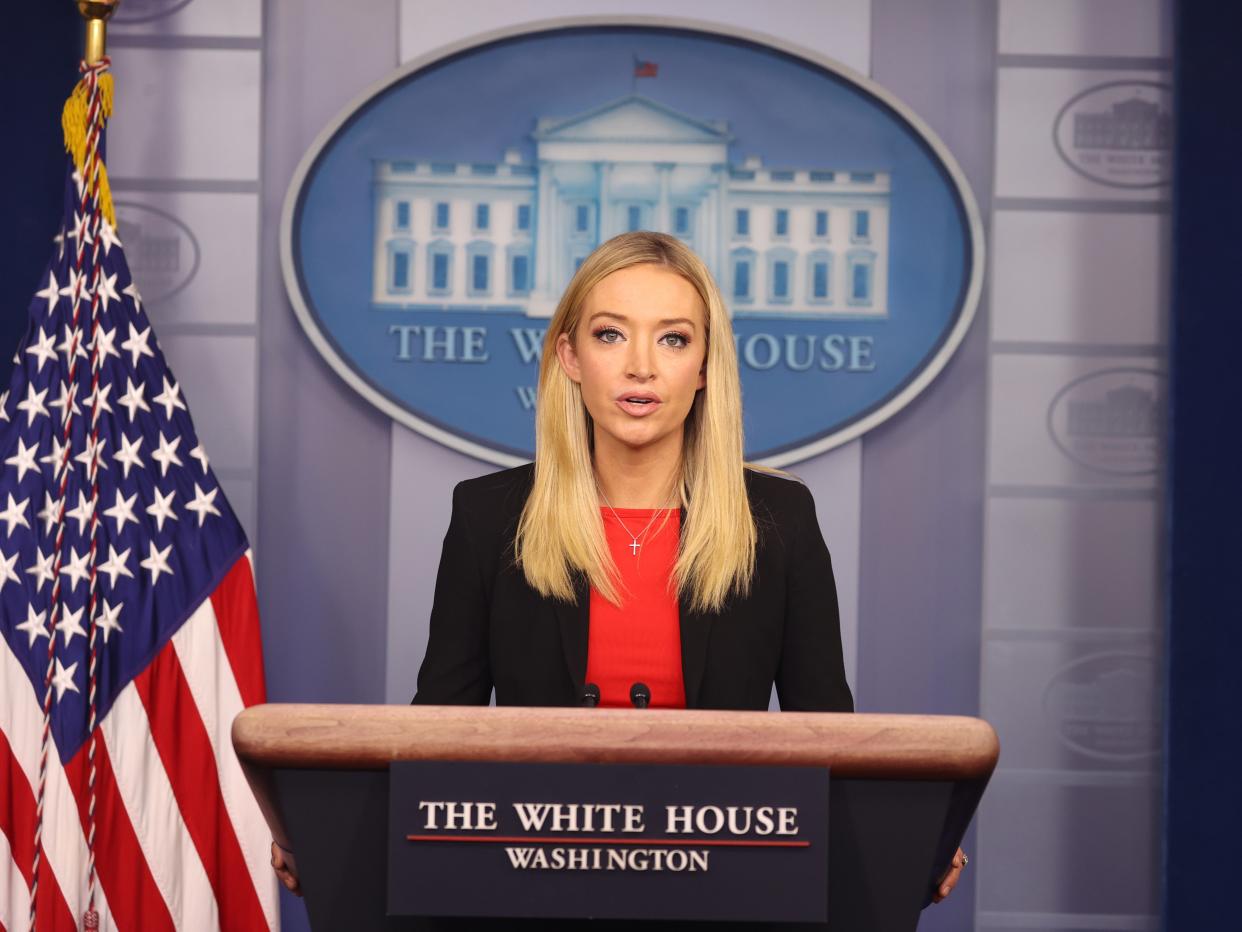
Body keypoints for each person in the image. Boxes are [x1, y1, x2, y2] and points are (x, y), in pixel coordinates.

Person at [272, 231, 965, 901]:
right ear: (569, 357)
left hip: (726, 881)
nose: (641, 366)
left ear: (705, 367)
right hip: (530, 876)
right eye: (611, 335)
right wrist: (332, 834)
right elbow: (440, 729)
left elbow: (827, 732)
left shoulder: (778, 520)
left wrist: (903, 838)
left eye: (673, 338)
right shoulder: (489, 517)